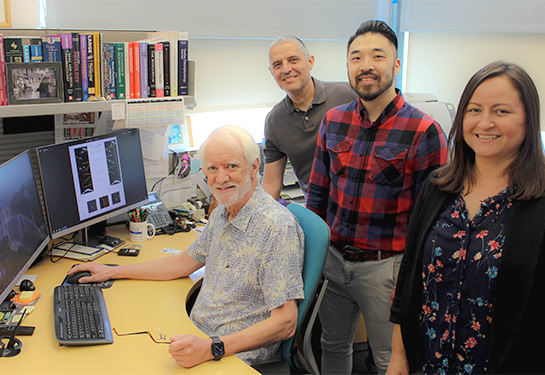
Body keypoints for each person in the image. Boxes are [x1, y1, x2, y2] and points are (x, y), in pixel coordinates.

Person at [69, 125, 305, 368]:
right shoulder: (223, 213)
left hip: (233, 356)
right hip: (198, 336)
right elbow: (182, 263)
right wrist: (114, 271)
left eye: (232, 166)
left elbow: (285, 322)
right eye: (213, 169)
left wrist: (212, 347)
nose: (221, 179)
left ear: (254, 166)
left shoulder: (276, 228)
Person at [306, 20, 448, 374]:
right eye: (356, 57)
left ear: (396, 65)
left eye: (376, 55)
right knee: (333, 345)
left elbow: (430, 221)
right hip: (334, 260)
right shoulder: (333, 121)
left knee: (390, 360)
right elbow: (318, 197)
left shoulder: (424, 131)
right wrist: (313, 258)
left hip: (388, 269)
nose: (365, 65)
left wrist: (410, 278)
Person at [388, 61, 545, 374]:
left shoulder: (538, 204)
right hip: (427, 363)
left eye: (501, 111)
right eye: (474, 110)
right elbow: (409, 279)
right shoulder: (438, 188)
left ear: (529, 119)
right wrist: (399, 356)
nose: (484, 123)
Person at [263, 35, 358, 199]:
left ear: (310, 62)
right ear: (272, 72)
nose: (286, 69)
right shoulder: (274, 121)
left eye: (293, 60)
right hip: (318, 211)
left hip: (361, 203)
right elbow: (271, 184)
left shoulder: (348, 95)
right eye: (278, 65)